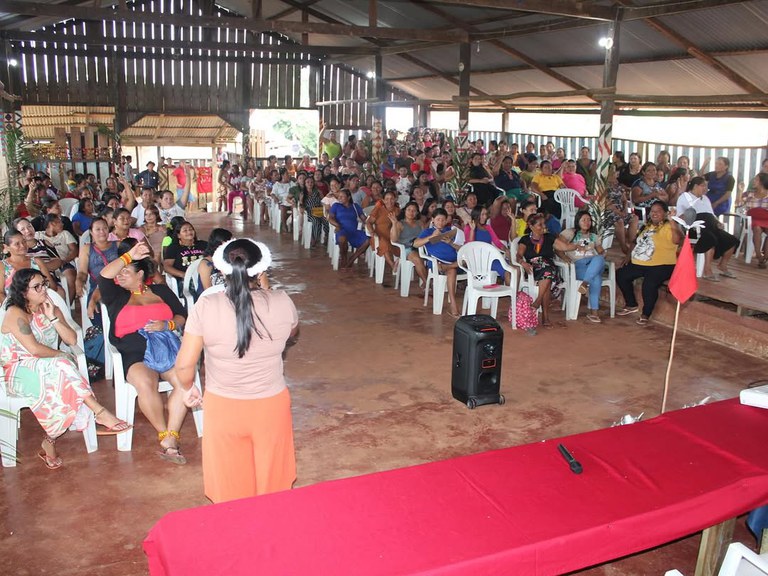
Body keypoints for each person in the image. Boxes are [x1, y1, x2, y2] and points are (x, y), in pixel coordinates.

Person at [175, 239, 299, 503]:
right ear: (260, 271)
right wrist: (268, 291)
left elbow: (185, 365)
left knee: (229, 485)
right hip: (271, 405)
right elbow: (291, 331)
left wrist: (188, 388)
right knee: (273, 483)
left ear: (221, 271)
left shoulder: (206, 307)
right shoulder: (282, 302)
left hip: (224, 407)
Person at [0, 269, 130, 469]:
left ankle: (50, 440)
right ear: (23, 292)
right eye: (37, 287)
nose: (44, 289)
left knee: (63, 372)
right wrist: (63, 356)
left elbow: (71, 339)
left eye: (43, 283)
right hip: (18, 371)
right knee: (64, 366)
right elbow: (34, 349)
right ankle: (98, 411)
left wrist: (53, 318)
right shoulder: (15, 312)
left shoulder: (48, 307)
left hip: (48, 366)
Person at [100, 241, 189, 464]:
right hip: (135, 352)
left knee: (182, 380)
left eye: (126, 272)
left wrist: (166, 325)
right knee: (145, 383)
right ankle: (165, 435)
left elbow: (181, 315)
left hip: (165, 348)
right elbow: (104, 275)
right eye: (119, 273)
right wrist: (128, 255)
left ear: (140, 274)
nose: (119, 276)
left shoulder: (160, 290)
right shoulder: (116, 296)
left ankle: (172, 435)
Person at [616, 201, 683, 325]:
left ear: (665, 213)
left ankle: (646, 313)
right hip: (641, 262)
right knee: (621, 274)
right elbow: (635, 242)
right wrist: (628, 256)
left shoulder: (669, 226)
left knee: (649, 284)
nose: (654, 213)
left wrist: (672, 221)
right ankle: (631, 304)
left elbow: (678, 240)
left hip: (662, 265)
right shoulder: (646, 226)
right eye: (652, 211)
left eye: (658, 211)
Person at [516, 213, 580, 327]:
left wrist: (578, 245)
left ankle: (538, 301)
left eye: (543, 224)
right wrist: (523, 263)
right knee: (547, 275)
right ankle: (545, 316)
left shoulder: (549, 237)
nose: (543, 227)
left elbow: (564, 247)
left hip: (549, 268)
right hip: (533, 269)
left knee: (547, 273)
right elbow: (519, 255)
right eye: (540, 225)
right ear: (531, 226)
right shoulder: (525, 239)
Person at [676, 177, 738, 281]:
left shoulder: (705, 198)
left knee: (732, 240)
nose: (706, 189)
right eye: (703, 186)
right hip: (695, 227)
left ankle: (722, 265)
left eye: (706, 186)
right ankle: (707, 270)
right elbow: (680, 215)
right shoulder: (685, 197)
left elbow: (711, 214)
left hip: (711, 225)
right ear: (695, 186)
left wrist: (718, 222)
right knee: (710, 239)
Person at [413, 208, 462, 317]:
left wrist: (450, 242)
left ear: (446, 221)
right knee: (452, 270)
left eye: (443, 220)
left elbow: (462, 248)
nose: (440, 222)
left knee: (468, 260)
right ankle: (453, 304)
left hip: (452, 262)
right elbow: (416, 244)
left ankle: (446, 267)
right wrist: (432, 237)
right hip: (436, 263)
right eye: (438, 219)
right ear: (433, 220)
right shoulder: (428, 231)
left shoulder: (450, 231)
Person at [560, 210, 607, 323]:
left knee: (599, 258)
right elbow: (558, 247)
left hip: (593, 263)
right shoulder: (570, 233)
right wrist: (564, 258)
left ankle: (585, 283)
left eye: (589, 220)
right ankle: (594, 313)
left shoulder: (594, 236)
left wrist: (603, 253)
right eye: (584, 220)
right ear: (578, 221)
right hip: (578, 266)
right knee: (596, 278)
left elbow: (601, 252)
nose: (587, 222)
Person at [76, 218, 119, 321]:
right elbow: (82, 272)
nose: (102, 232)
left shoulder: (117, 245)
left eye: (105, 228)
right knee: (97, 312)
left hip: (118, 284)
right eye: (98, 229)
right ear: (91, 232)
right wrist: (79, 281)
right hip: (96, 284)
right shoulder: (86, 248)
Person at [1, 230, 58, 305]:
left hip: (40, 304)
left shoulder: (37, 262)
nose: (22, 246)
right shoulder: (2, 266)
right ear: (6, 247)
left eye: (24, 241)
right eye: (17, 244)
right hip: (15, 307)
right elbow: (0, 293)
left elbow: (52, 286)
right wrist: (13, 307)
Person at [464, 205, 512, 285]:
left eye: (486, 214)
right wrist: (473, 230)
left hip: (490, 258)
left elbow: (497, 242)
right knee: (507, 271)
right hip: (478, 260)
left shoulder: (488, 227)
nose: (485, 217)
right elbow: (470, 246)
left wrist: (506, 250)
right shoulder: (468, 228)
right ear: (476, 215)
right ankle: (513, 295)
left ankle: (514, 294)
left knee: (513, 268)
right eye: (482, 214)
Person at [389, 201, 428, 293]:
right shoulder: (400, 224)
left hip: (420, 247)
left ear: (417, 212)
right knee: (417, 258)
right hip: (406, 248)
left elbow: (425, 236)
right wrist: (394, 223)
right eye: (409, 210)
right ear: (405, 211)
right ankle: (427, 282)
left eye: (414, 211)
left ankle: (430, 280)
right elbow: (394, 240)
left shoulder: (420, 223)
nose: (411, 212)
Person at [328, 188, 370, 270]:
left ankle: (352, 258)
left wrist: (370, 224)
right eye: (339, 196)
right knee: (342, 239)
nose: (339, 198)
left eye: (342, 197)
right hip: (341, 230)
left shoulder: (355, 206)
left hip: (353, 231)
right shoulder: (336, 206)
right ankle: (344, 257)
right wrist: (338, 225)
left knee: (368, 240)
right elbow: (330, 218)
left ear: (348, 197)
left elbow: (364, 219)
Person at [163, 221, 207, 293]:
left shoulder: (203, 244)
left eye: (191, 229)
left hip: (204, 275)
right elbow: (167, 266)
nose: (189, 232)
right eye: (185, 230)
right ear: (178, 235)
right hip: (184, 279)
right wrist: (184, 275)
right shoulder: (174, 248)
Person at [366, 190, 401, 273]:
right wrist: (371, 232)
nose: (389, 201)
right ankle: (392, 265)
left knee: (400, 245)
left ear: (395, 199)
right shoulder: (378, 210)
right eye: (387, 199)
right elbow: (369, 222)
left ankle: (398, 263)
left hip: (393, 235)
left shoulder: (397, 211)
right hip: (379, 236)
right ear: (383, 200)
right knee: (384, 243)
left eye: (392, 199)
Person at [738, 172, 768, 268]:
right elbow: (739, 205)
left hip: (766, 219)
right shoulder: (750, 193)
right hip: (753, 220)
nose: (753, 181)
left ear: (762, 182)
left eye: (756, 180)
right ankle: (759, 255)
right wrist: (740, 191)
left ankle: (766, 257)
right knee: (757, 229)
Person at [197, 228, 233, 297]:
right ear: (219, 243)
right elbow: (208, 290)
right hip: (210, 299)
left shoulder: (229, 260)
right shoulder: (206, 264)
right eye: (229, 242)